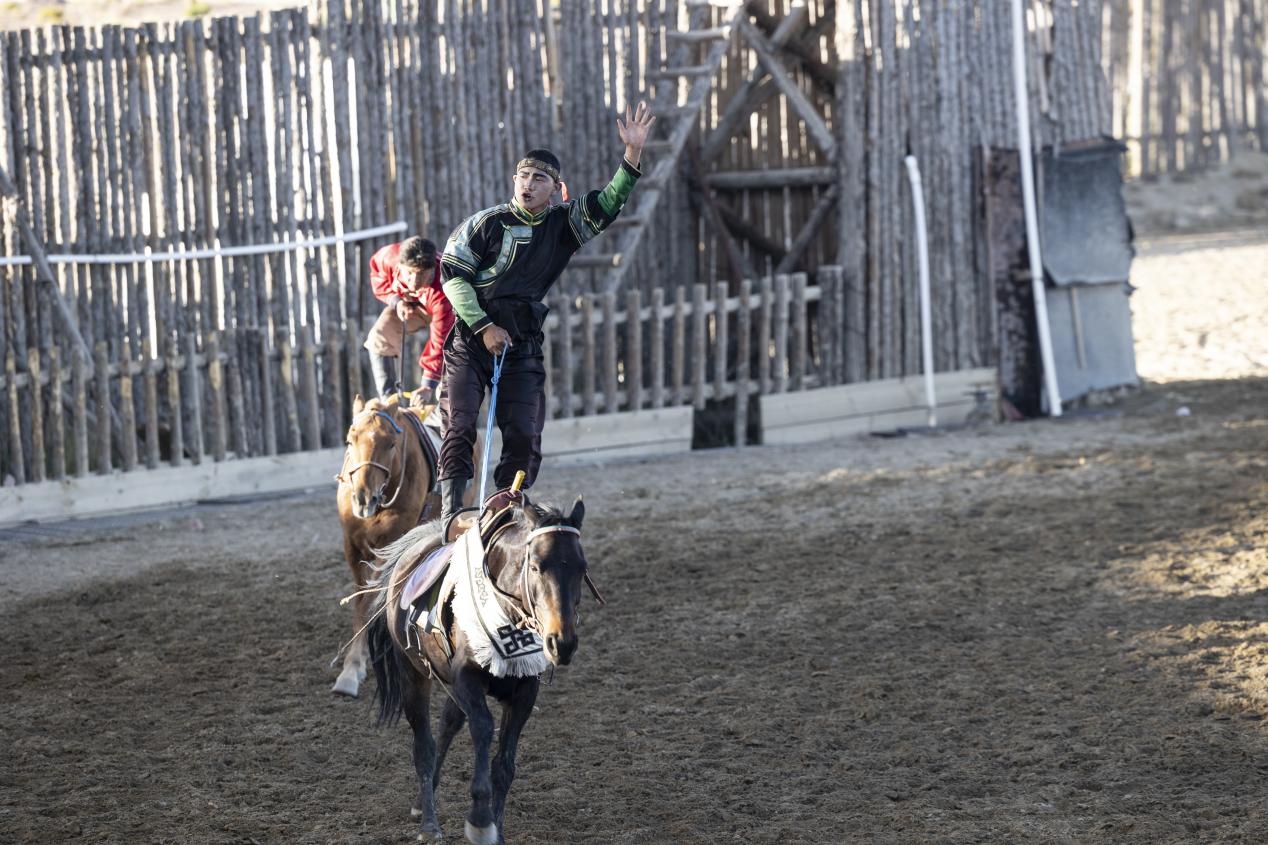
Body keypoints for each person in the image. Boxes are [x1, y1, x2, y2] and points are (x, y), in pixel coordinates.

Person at [436, 101, 656, 525]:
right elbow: (453, 277)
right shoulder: (484, 224)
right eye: (524, 176)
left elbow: (608, 204)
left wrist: (632, 155)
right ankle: (448, 514)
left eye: (540, 178)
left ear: (556, 188)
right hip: (470, 340)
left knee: (524, 432)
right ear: (513, 180)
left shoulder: (563, 226)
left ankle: (505, 508)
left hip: (522, 344)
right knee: (460, 424)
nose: (529, 184)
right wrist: (483, 327)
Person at [364, 236, 455, 403]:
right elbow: (377, 277)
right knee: (379, 337)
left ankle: (442, 420)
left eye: (421, 274)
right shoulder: (388, 257)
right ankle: (390, 403)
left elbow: (440, 340)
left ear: (432, 268)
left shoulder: (444, 288)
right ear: (399, 265)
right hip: (413, 305)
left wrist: (428, 384)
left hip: (456, 313)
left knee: (448, 375)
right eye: (410, 272)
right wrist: (397, 302)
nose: (414, 281)